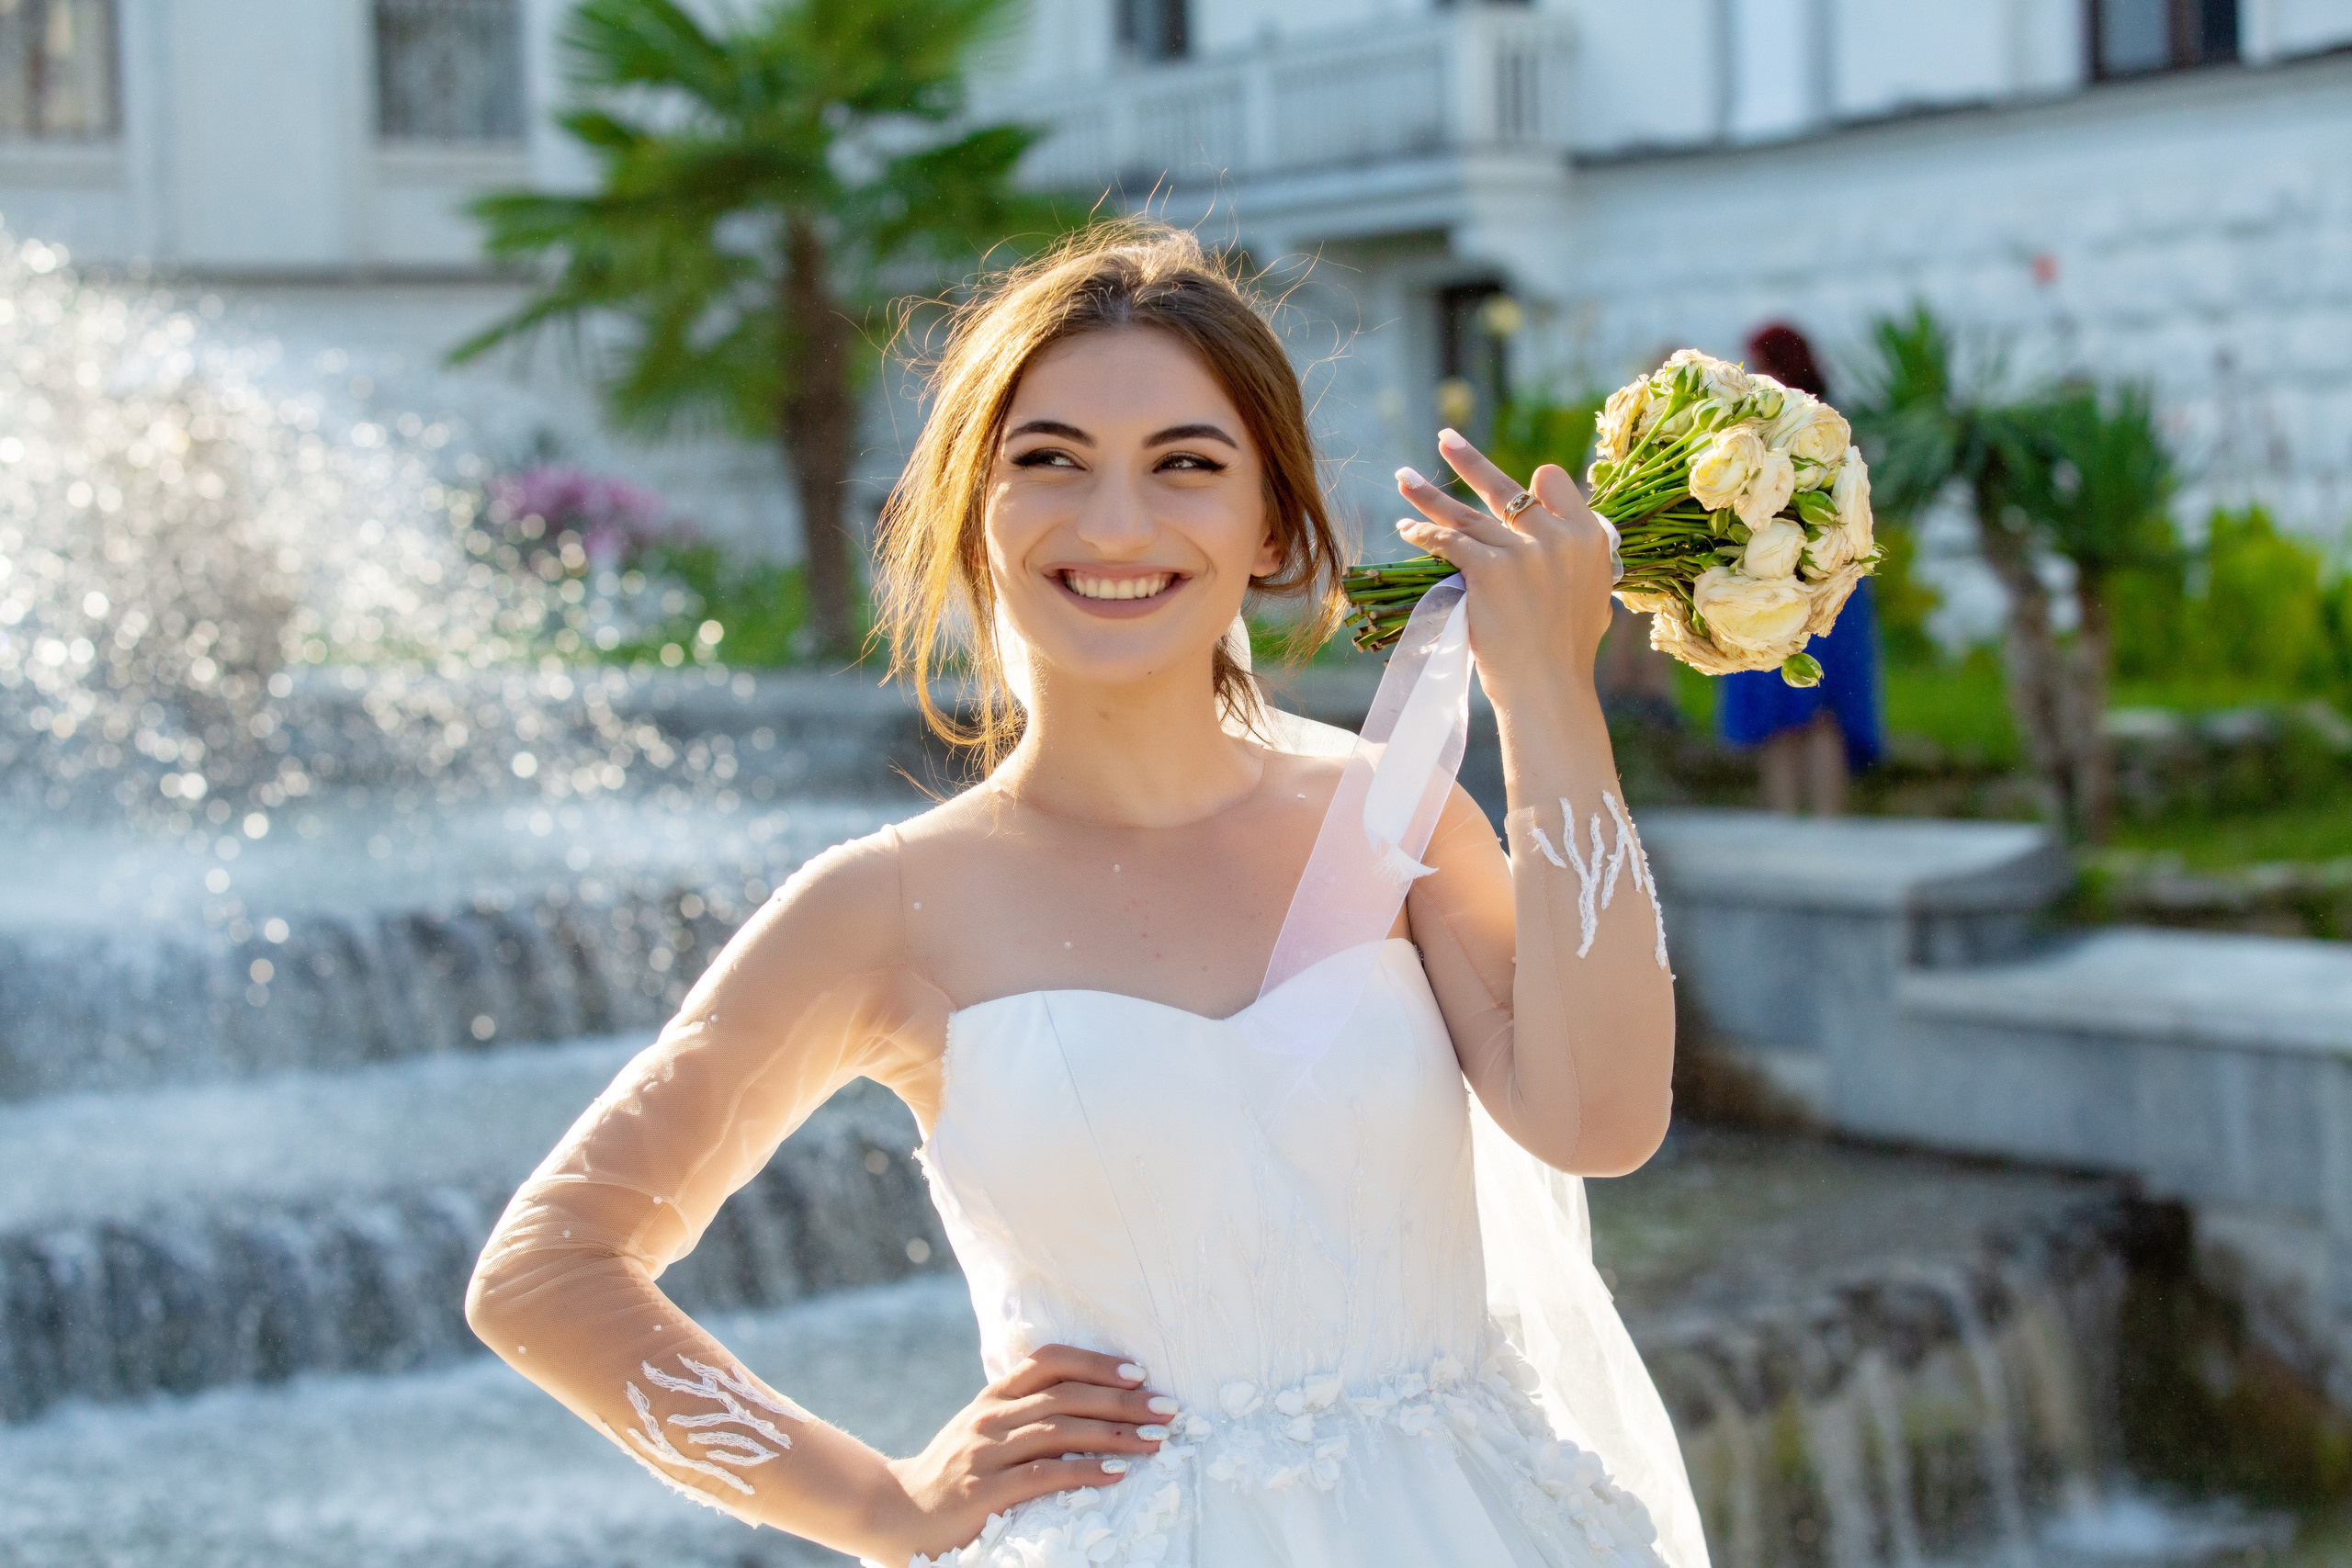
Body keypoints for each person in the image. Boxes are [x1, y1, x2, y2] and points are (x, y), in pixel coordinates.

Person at [466, 224, 1706, 1568]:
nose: (1116, 524)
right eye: (1048, 461)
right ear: (971, 508)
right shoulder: (884, 908)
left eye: (1186, 466)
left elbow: (1601, 1118)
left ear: (1273, 523)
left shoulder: (1391, 821)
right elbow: (547, 1269)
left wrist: (1548, 698)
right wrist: (875, 1503)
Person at [1714, 322, 1883, 814]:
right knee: (1788, 710)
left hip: (1807, 575)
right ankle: (1804, 826)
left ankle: (1805, 826)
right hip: (1798, 574)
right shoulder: (1833, 423)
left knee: (1814, 708)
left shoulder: (1799, 425)